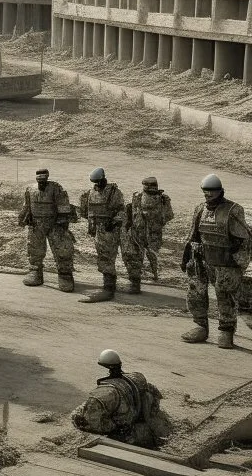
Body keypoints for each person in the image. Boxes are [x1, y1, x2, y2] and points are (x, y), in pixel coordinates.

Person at [182, 174, 250, 349]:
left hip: (225, 263)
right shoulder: (200, 209)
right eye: (205, 192)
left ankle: (226, 331)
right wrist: (188, 255)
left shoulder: (233, 210)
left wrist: (238, 262)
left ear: (220, 191)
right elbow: (192, 235)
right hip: (203, 260)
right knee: (195, 292)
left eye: (211, 192)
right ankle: (200, 326)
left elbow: (245, 239)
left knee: (225, 295)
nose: (208, 195)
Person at [70, 349, 171, 448]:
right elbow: (155, 397)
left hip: (124, 441)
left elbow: (90, 423)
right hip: (145, 433)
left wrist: (113, 425)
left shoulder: (105, 393)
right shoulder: (136, 379)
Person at [17, 168, 76, 291]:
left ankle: (65, 275)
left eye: (43, 180)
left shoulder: (56, 188)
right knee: (34, 249)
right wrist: (23, 217)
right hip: (36, 224)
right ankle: (35, 272)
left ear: (47, 178)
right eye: (39, 181)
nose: (41, 183)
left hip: (55, 224)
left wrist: (63, 221)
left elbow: (64, 205)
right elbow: (26, 205)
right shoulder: (30, 189)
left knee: (62, 249)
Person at [79, 168, 127, 303]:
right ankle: (109, 286)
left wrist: (113, 223)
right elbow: (86, 212)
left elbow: (121, 211)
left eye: (99, 182)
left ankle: (108, 289)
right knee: (103, 257)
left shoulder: (114, 193)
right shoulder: (91, 193)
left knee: (107, 259)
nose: (97, 185)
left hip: (110, 231)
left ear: (104, 179)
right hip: (98, 232)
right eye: (94, 183)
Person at [122, 177, 174, 285]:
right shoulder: (160, 198)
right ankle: (150, 275)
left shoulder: (161, 199)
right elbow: (169, 216)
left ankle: (148, 275)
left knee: (146, 254)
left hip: (146, 231)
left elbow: (168, 216)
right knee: (147, 254)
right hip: (146, 231)